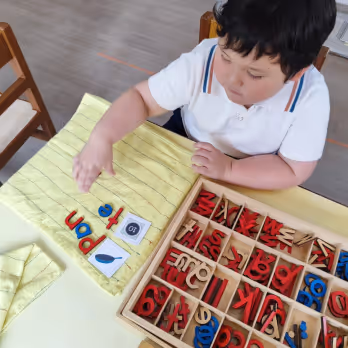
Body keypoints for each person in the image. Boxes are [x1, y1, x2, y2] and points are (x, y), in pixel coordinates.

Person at [73, 0, 336, 193]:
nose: (231, 80)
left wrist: (230, 170)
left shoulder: (310, 97)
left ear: (296, 74)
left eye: (254, 74)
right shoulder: (202, 60)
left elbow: (292, 170)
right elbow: (141, 98)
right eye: (225, 57)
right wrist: (102, 136)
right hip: (188, 136)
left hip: (256, 167)